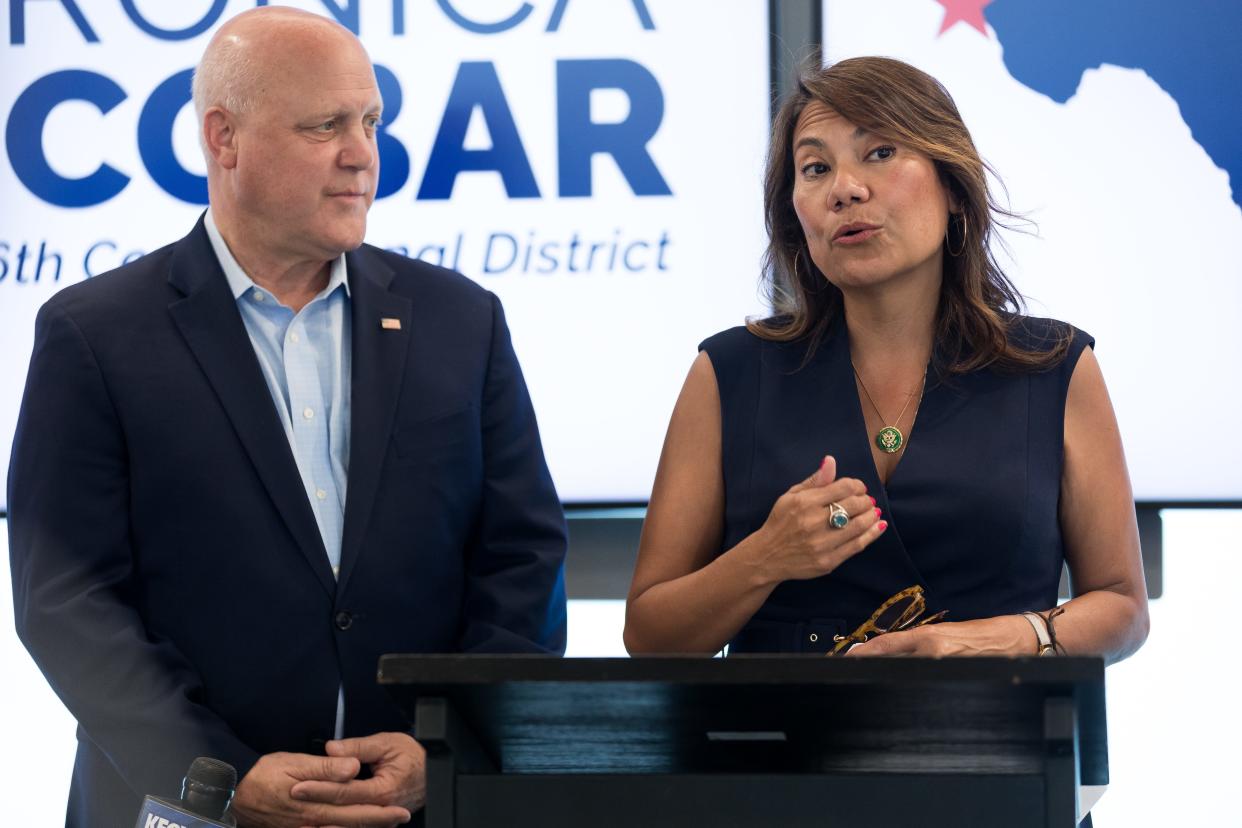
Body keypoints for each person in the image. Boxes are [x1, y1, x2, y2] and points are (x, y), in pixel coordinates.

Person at [7, 8, 567, 827]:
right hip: (185, 809)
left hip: (412, 807)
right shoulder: (94, 334)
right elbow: (66, 600)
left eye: (370, 122)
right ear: (224, 138)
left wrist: (446, 743)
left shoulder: (461, 321)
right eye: (325, 125)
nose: (362, 154)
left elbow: (523, 557)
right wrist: (222, 776)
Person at [623, 56, 1149, 667]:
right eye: (815, 168)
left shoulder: (1053, 366)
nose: (845, 188)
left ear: (953, 186)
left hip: (996, 745)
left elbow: (1122, 606)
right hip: (778, 751)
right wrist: (764, 556)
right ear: (797, 216)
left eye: (878, 153)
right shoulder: (729, 372)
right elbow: (649, 636)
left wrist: (1005, 636)